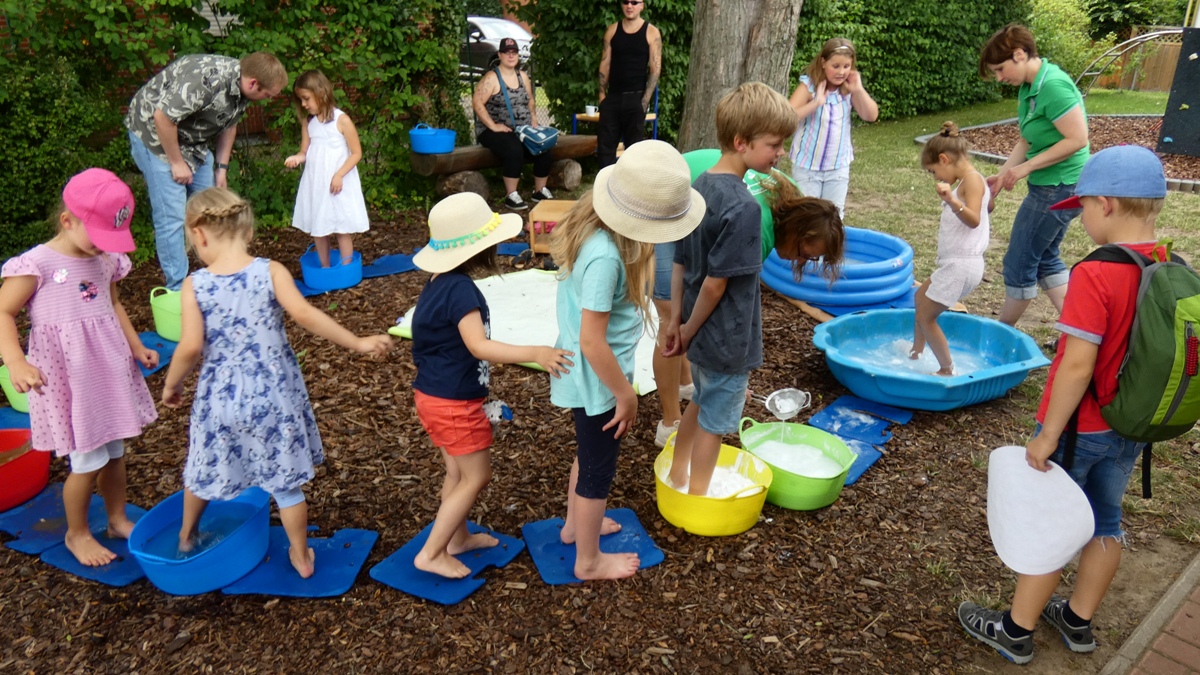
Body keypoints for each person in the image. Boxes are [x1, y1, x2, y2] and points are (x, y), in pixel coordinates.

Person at [958, 146, 1169, 665]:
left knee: (1053, 525)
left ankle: (1015, 629)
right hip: (1130, 425)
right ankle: (1076, 620)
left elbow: (1076, 365)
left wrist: (1049, 432)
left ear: (1107, 205)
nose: (1079, 219)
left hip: (1081, 428)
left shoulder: (1097, 273)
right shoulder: (1164, 263)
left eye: (1083, 209)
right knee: (1105, 521)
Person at [161, 187, 392, 578]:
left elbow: (190, 346)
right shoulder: (270, 271)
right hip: (274, 397)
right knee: (285, 486)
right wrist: (357, 341)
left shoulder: (194, 285)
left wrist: (171, 385)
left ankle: (186, 536)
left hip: (220, 400)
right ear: (248, 233)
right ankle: (301, 556)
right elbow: (304, 314)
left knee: (203, 470)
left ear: (198, 235)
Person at [549, 140, 704, 580]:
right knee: (599, 471)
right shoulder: (604, 257)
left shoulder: (601, 238)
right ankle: (588, 559)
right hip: (601, 380)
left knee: (589, 452)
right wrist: (626, 395)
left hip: (597, 378)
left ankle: (573, 527)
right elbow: (592, 341)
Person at [409, 193, 574, 579]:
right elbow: (478, 345)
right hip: (453, 405)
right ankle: (432, 553)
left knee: (457, 473)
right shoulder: (462, 291)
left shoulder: (438, 283)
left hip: (432, 397)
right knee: (477, 475)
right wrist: (536, 351)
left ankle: (457, 538)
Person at [0, 169, 158, 567]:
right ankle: (77, 532)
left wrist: (136, 345)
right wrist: (15, 360)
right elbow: (3, 310)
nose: (103, 248)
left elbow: (114, 304)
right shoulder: (37, 264)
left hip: (107, 369)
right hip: (72, 378)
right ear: (67, 221)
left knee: (116, 451)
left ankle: (117, 518)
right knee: (87, 461)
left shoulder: (105, 258)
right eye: (98, 237)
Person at [663, 82, 799, 497]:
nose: (780, 154)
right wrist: (685, 329)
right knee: (715, 424)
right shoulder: (744, 207)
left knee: (701, 401)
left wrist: (677, 320)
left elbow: (681, 260)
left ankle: (679, 477)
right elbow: (715, 284)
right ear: (741, 142)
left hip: (699, 333)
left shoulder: (700, 185)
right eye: (774, 145)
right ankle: (700, 497)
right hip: (726, 337)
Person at [126, 52, 288, 292]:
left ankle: (215, 275)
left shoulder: (243, 88)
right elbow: (163, 118)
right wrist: (176, 162)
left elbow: (228, 124)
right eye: (267, 94)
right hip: (155, 135)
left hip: (193, 141)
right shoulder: (204, 82)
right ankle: (177, 289)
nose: (267, 99)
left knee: (212, 209)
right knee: (172, 217)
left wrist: (221, 169)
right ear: (253, 83)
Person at [979, 24, 1090, 327]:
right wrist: (1002, 176)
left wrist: (1025, 168)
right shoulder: (1029, 87)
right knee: (1046, 259)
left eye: (1001, 69)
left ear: (1019, 54)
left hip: (1061, 187)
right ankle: (1078, 332)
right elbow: (1027, 139)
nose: (1000, 78)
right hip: (1053, 186)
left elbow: (1077, 139)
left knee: (1020, 262)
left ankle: (999, 334)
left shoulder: (1053, 85)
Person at [910, 122, 990, 376]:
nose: (936, 178)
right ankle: (916, 352)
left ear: (944, 159)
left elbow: (975, 219)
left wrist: (952, 200)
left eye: (934, 171)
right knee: (920, 298)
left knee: (926, 316)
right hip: (954, 264)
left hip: (962, 265)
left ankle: (946, 368)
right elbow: (986, 209)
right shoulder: (970, 181)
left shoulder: (972, 180)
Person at [284, 70, 370, 268]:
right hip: (317, 182)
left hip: (338, 182)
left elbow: (356, 153)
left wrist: (339, 175)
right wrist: (297, 158)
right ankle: (325, 268)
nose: (304, 104)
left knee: (341, 226)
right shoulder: (308, 123)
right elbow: (304, 151)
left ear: (320, 92)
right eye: (301, 100)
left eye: (306, 98)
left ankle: (347, 268)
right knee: (319, 227)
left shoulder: (342, 120)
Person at [787, 37, 879, 219]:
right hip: (807, 167)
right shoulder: (809, 86)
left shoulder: (848, 89)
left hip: (837, 168)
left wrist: (858, 89)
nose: (841, 72)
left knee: (833, 218)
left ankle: (829, 249)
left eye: (846, 66)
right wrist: (816, 103)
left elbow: (871, 115)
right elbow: (787, 116)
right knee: (807, 216)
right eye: (835, 66)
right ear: (823, 62)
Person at [472, 37, 553, 211]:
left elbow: (530, 100)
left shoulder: (522, 76)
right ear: (500, 55)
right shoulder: (492, 78)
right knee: (513, 149)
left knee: (544, 145)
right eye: (507, 52)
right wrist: (493, 126)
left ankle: (539, 190)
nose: (511, 56)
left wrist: (533, 120)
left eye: (514, 52)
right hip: (493, 130)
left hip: (521, 128)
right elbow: (477, 102)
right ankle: (511, 195)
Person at [596, 0, 662, 169]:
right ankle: (605, 189)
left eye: (634, 2)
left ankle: (632, 193)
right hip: (613, 99)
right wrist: (602, 97)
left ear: (642, 6)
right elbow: (605, 65)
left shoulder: (651, 32)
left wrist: (644, 101)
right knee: (605, 151)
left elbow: (655, 69)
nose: (629, 6)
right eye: (626, 2)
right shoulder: (612, 31)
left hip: (636, 99)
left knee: (634, 153)